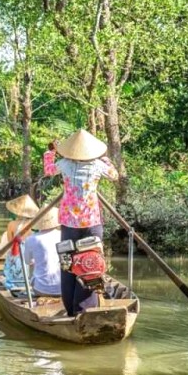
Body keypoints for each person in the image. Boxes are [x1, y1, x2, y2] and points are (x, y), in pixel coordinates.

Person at [43, 129, 118, 316]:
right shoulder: (98, 166)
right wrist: (106, 159)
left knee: (68, 264)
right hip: (91, 223)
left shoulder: (65, 164)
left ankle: (70, 308)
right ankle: (84, 310)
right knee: (90, 264)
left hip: (69, 223)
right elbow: (114, 175)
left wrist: (50, 152)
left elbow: (48, 170)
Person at [0, 194, 39, 290]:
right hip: (32, 255)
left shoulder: (12, 224)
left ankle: (15, 283)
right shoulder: (36, 225)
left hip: (17, 254)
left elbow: (11, 244)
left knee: (12, 261)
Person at [22, 207, 62, 297]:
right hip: (64, 288)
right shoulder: (63, 235)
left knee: (32, 264)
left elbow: (27, 261)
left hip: (41, 289)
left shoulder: (31, 239)